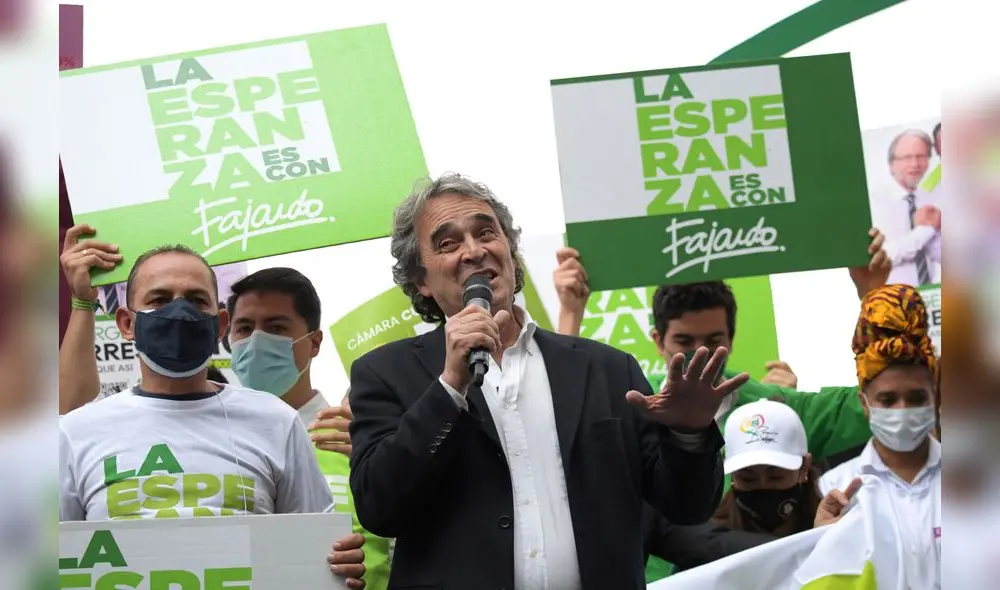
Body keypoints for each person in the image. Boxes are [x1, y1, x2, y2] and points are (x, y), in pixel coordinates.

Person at [348, 173, 748, 589]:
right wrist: (450, 386)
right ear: (422, 281)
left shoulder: (607, 370)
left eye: (487, 232)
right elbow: (380, 508)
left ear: (509, 251)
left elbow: (687, 507)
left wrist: (687, 434)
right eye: (448, 243)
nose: (474, 250)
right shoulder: (384, 374)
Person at [56, 243, 358, 585]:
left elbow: (313, 550)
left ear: (220, 324)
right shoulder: (76, 433)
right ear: (127, 323)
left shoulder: (276, 421)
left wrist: (335, 561)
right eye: (159, 300)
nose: (180, 312)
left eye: (197, 301)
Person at [227, 267, 390, 590]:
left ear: (313, 342)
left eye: (276, 327)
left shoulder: (359, 436)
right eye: (244, 328)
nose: (256, 340)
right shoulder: (215, 442)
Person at [816, 284, 940, 589]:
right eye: (887, 400)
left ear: (935, 397)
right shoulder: (834, 489)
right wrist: (821, 542)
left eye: (916, 397)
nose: (903, 409)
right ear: (865, 404)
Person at [871, 129, 942, 286]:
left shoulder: (931, 198)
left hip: (933, 296)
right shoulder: (874, 201)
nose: (915, 164)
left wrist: (937, 234)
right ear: (891, 164)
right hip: (895, 300)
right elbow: (880, 259)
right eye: (907, 158)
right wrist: (926, 231)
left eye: (921, 156)